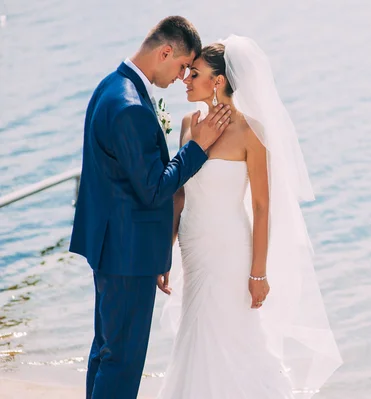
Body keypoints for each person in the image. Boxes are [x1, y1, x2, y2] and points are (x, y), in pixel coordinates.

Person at [157, 35, 343, 399]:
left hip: (231, 250)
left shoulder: (252, 132)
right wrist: (167, 248)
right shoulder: (187, 124)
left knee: (234, 332)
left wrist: (259, 273)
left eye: (194, 73)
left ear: (218, 81)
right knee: (197, 329)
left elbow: (261, 206)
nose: (186, 80)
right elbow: (178, 192)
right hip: (194, 248)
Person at [69, 16, 231, 399]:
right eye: (181, 67)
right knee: (122, 362)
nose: (180, 78)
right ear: (165, 52)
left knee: (107, 353)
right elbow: (154, 188)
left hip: (115, 246)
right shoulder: (130, 107)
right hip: (128, 254)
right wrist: (197, 148)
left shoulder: (111, 86)